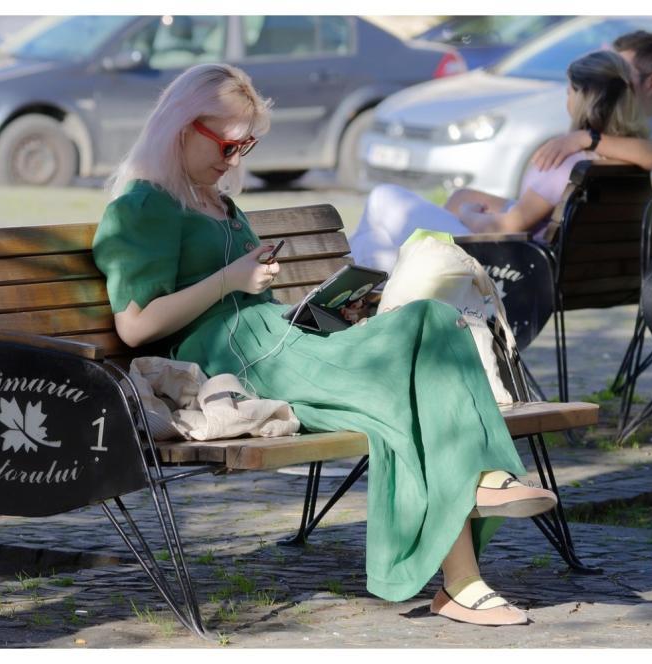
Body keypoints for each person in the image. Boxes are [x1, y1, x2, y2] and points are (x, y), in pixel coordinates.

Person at [93, 63, 560, 627]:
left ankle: (470, 538)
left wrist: (330, 312)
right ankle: (468, 545)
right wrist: (231, 280)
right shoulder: (144, 206)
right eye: (228, 144)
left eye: (246, 146)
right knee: (410, 386)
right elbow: (135, 326)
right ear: (182, 126)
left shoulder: (214, 200)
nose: (235, 160)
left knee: (434, 322)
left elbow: (251, 301)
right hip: (234, 363)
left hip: (281, 341)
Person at [351, 49, 648, 273]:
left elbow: (508, 226)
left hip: (508, 264)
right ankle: (362, 288)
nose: (567, 99)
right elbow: (536, 211)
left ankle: (349, 294)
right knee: (372, 242)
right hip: (555, 265)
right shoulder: (625, 158)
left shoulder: (566, 159)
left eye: (570, 91)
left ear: (584, 97)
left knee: (382, 199)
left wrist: (468, 213)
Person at [532, 30, 652, 174]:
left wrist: (585, 139)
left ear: (651, 84)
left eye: (622, 76)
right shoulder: (641, 129)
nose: (608, 84)